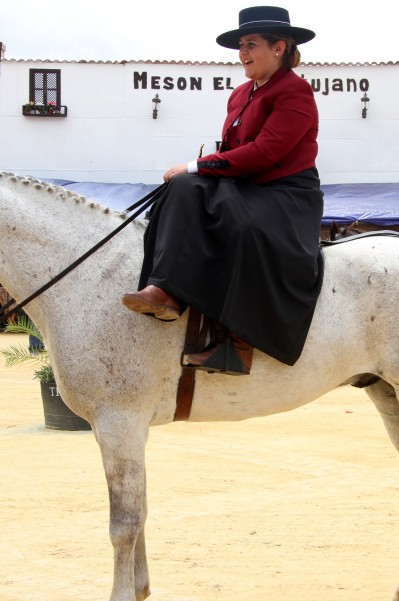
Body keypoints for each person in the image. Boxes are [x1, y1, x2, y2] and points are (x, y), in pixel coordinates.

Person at [121, 6, 322, 376]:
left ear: (279, 48)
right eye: (240, 45)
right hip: (246, 184)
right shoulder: (241, 93)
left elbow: (266, 153)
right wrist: (195, 170)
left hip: (286, 194)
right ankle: (164, 290)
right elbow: (232, 150)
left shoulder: (296, 92)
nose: (242, 53)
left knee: (239, 229)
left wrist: (196, 165)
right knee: (182, 188)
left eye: (251, 44)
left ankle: (236, 344)